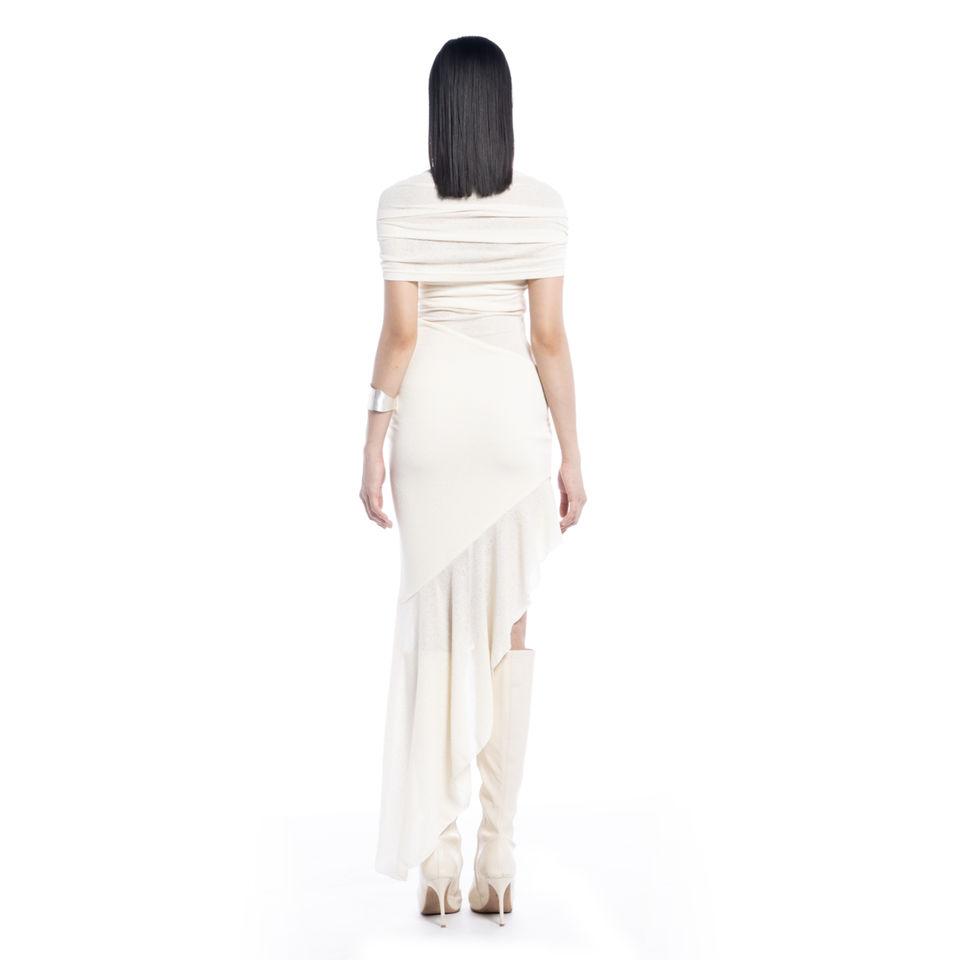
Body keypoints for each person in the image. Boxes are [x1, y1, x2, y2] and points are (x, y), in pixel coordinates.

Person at [359, 36, 586, 927]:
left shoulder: (400, 205)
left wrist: (372, 438)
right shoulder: (543, 206)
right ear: (503, 110)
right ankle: (498, 857)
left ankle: (439, 861)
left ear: (439, 109)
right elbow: (548, 339)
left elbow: (401, 334)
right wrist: (572, 455)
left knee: (436, 631)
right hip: (510, 435)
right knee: (508, 626)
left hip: (432, 433)